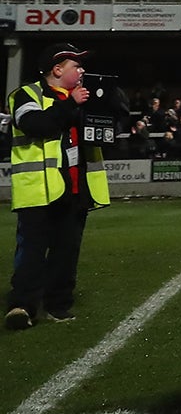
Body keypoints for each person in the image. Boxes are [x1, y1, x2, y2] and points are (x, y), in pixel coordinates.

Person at [6, 46, 110, 330]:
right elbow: (35, 125)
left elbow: (108, 129)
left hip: (75, 190)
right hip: (39, 189)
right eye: (76, 66)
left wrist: (108, 101)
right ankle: (21, 306)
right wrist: (71, 104)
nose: (82, 71)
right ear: (57, 70)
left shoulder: (83, 99)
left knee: (66, 253)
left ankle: (58, 305)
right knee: (32, 252)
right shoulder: (26, 94)